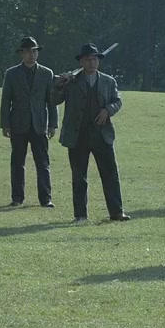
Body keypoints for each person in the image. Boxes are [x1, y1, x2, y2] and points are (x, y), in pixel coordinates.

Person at [52, 43, 130, 223]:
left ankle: (116, 212)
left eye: (94, 59)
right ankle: (80, 215)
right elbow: (54, 100)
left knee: (110, 174)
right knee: (79, 177)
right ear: (81, 62)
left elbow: (117, 101)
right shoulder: (71, 81)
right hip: (77, 135)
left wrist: (107, 110)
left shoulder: (109, 81)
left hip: (102, 135)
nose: (92, 62)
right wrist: (59, 85)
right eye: (87, 59)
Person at [0, 36, 59, 207]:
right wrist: (5, 124)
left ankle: (46, 198)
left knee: (43, 163)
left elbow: (51, 101)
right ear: (21, 54)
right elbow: (6, 100)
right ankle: (17, 198)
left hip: (39, 124)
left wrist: (53, 124)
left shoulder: (47, 73)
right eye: (28, 52)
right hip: (18, 123)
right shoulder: (11, 73)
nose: (32, 55)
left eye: (34, 51)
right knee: (17, 163)